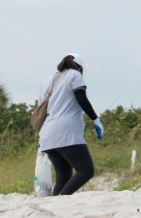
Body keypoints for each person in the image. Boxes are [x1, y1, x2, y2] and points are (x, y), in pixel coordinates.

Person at [36, 54, 104, 195]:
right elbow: (81, 98)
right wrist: (96, 119)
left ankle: (55, 205)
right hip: (66, 132)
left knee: (64, 176)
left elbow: (41, 108)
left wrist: (41, 137)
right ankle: (62, 199)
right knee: (86, 170)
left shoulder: (48, 81)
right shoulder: (74, 74)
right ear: (79, 66)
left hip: (47, 134)